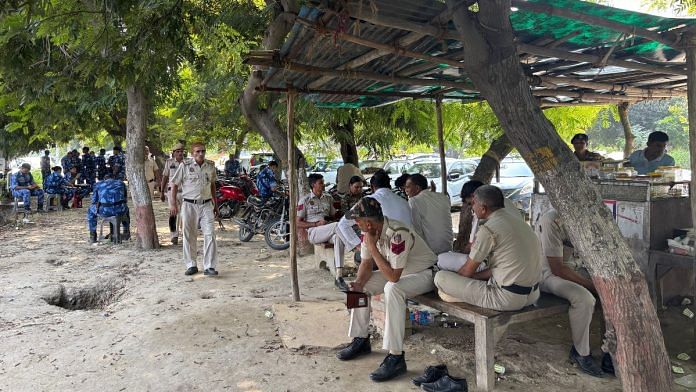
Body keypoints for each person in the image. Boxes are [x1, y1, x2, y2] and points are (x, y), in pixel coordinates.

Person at [336, 197, 436, 382]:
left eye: (357, 220)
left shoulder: (398, 233)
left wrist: (373, 247)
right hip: (397, 270)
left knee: (392, 288)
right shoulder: (369, 232)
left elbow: (393, 278)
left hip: (424, 274)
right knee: (358, 287)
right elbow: (366, 264)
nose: (356, 224)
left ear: (368, 222)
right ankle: (361, 340)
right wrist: (358, 284)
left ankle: (396, 357)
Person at [433, 185, 541, 311]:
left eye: (473, 204)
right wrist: (476, 277)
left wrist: (457, 281)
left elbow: (466, 272)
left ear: (483, 208)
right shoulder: (521, 224)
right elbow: (503, 267)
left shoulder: (489, 229)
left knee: (441, 278)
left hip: (507, 299)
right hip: (533, 295)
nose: (472, 208)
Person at [537, 209, 611, 377]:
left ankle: (610, 352)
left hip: (576, 270)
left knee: (613, 292)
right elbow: (557, 268)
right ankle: (581, 353)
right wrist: (592, 286)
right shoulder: (551, 220)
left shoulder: (587, 216)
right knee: (585, 299)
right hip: (548, 274)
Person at [170, 142, 219, 276]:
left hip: (207, 204)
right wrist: (173, 204)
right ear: (192, 154)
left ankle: (209, 266)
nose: (200, 153)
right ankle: (191, 265)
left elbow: (213, 185)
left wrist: (216, 204)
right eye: (197, 151)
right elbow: (174, 185)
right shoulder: (184, 166)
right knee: (189, 235)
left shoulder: (210, 166)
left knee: (210, 234)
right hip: (189, 205)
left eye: (203, 151)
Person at [405, 173, 452, 255]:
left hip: (432, 251)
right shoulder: (443, 197)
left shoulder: (414, 201)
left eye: (408, 187)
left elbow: (417, 230)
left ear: (417, 188)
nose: (406, 190)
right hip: (448, 245)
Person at [87, 173, 130, 243]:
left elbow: (94, 201)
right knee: (126, 209)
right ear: (114, 178)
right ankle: (126, 232)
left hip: (105, 211)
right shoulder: (121, 183)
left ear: (104, 179)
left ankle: (93, 236)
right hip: (120, 210)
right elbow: (125, 199)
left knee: (90, 211)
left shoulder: (98, 184)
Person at [296, 173, 337, 244]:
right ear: (313, 185)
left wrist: (327, 219)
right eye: (321, 183)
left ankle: (358, 252)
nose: (323, 184)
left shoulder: (328, 198)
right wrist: (316, 224)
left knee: (337, 238)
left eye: (323, 182)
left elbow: (333, 216)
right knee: (338, 225)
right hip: (314, 232)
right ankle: (357, 245)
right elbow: (298, 223)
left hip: (327, 228)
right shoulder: (305, 200)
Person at [161, 142, 185, 245]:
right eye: (178, 151)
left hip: (184, 192)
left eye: (181, 151)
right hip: (171, 192)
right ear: (174, 153)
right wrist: (162, 191)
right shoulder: (169, 162)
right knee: (173, 214)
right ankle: (174, 235)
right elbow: (165, 177)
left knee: (185, 215)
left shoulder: (187, 163)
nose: (180, 153)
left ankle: (185, 235)